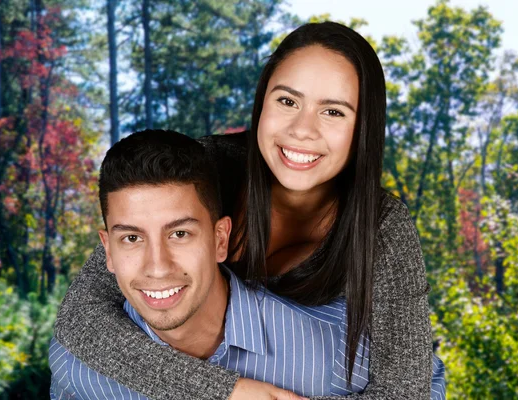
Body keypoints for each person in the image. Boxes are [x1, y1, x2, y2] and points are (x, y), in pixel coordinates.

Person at [54, 21, 441, 399]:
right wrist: (228, 392)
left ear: (364, 128)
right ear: (262, 104)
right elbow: (81, 317)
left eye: (333, 111)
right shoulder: (205, 170)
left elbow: (404, 387)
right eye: (287, 101)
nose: (302, 130)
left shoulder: (383, 228)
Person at [49, 129, 372, 399]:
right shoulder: (76, 366)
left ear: (220, 239)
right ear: (107, 250)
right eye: (132, 239)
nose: (157, 267)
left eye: (179, 233)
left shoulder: (337, 349)